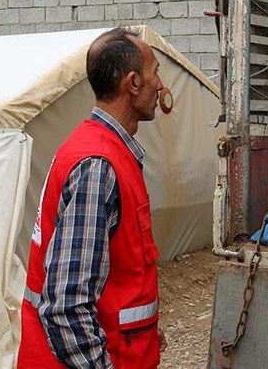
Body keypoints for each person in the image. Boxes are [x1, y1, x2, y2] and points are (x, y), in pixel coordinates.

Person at [18, 27, 167, 368]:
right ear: (132, 83)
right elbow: (66, 307)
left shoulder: (101, 149)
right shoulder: (98, 165)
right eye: (154, 72)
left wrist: (144, 335)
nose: (160, 84)